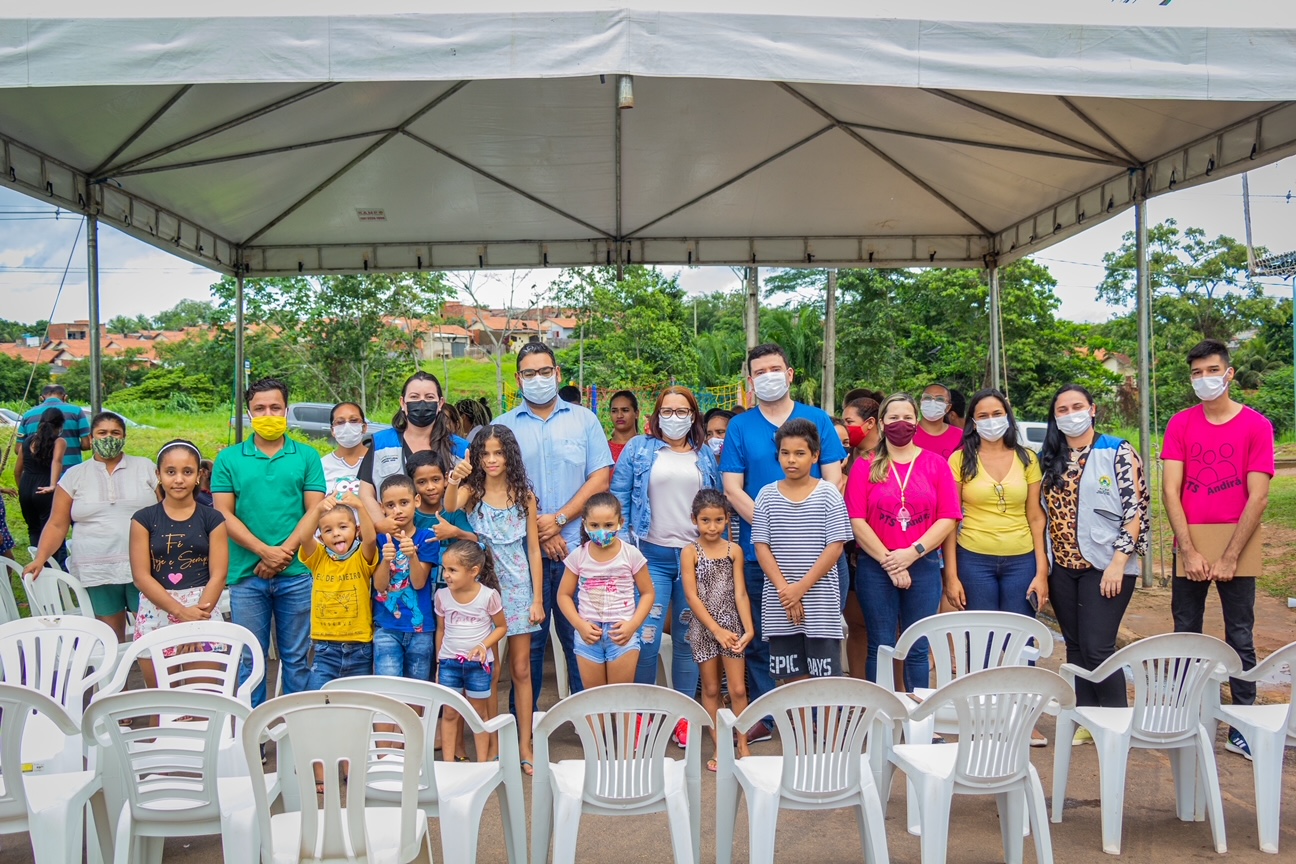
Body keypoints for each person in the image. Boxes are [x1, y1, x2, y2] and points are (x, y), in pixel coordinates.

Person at [720, 343, 845, 743]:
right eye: (760, 371)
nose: (768, 376)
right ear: (750, 380)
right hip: (764, 553)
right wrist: (774, 527)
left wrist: (801, 525)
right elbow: (732, 489)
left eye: (775, 368)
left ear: (790, 374)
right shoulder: (741, 426)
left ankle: (815, 721)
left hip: (819, 555)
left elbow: (834, 478)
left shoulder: (817, 418)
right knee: (766, 635)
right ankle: (771, 715)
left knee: (818, 635)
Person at [1162, 339, 1273, 760]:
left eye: (1211, 370)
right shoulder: (1181, 424)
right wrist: (1188, 550)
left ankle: (1241, 723)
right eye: (1196, 373)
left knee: (1239, 634)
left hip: (1237, 543)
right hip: (1191, 541)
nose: (1203, 379)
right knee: (1185, 631)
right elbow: (1171, 490)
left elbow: (1258, 497)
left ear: (1229, 373)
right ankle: (1182, 713)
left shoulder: (1257, 426)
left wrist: (1230, 556)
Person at [495, 342, 613, 705]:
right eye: (529, 374)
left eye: (545, 372)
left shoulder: (585, 420)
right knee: (527, 652)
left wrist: (558, 519)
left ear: (558, 374)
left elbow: (600, 478)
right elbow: (497, 487)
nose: (538, 379)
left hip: (580, 553)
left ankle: (589, 729)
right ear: (518, 379)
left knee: (583, 644)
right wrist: (540, 533)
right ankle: (523, 735)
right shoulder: (502, 428)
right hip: (521, 558)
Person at [610, 386, 719, 744]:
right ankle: (643, 714)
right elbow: (620, 498)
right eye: (667, 411)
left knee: (689, 638)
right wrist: (626, 548)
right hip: (650, 557)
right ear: (656, 416)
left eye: (682, 411)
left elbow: (715, 506)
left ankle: (683, 715)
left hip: (694, 559)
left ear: (693, 415)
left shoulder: (704, 456)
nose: (675, 418)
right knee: (646, 637)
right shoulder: (638, 450)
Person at [212, 378, 326, 706]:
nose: (268, 414)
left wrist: (284, 553)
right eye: (260, 408)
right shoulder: (229, 459)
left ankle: (297, 736)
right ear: (249, 413)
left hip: (297, 575)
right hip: (247, 576)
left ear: (286, 410)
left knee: (298, 658)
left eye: (275, 407)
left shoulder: (306, 456)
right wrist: (264, 552)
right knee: (252, 660)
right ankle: (255, 739)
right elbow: (223, 514)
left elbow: (314, 510)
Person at [1040, 384, 1147, 716]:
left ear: (1092, 409)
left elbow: (1136, 511)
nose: (1071, 415)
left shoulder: (1117, 451)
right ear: (1055, 418)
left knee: (1098, 647)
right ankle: (1087, 718)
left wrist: (1118, 563)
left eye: (1077, 407)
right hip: (1062, 567)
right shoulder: (1050, 459)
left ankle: (1114, 721)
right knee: (1074, 647)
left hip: (1105, 566)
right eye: (1063, 410)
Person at [845, 393, 961, 689]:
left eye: (907, 417)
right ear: (882, 424)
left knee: (918, 648)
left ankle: (917, 720)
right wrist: (891, 561)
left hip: (922, 566)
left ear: (916, 422)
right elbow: (856, 520)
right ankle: (879, 718)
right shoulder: (866, 465)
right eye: (893, 418)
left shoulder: (936, 464)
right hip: (876, 567)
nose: (901, 423)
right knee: (881, 645)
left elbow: (948, 517)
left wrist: (912, 554)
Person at [446, 424, 544, 773]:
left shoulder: (524, 496)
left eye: (498, 452)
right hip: (480, 588)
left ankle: (524, 745)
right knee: (488, 668)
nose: (491, 459)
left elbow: (533, 549)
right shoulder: (471, 491)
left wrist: (537, 598)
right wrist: (455, 478)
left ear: (510, 455)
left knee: (521, 669)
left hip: (518, 589)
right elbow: (448, 505)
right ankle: (487, 743)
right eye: (484, 453)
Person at [25, 411, 158, 641]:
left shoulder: (145, 468)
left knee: (151, 634)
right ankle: (117, 678)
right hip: (97, 570)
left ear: (124, 437)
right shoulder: (74, 475)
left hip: (145, 567)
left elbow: (169, 511)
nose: (109, 438)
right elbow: (57, 524)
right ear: (92, 438)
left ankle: (155, 678)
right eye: (102, 433)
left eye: (115, 433)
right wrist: (40, 558)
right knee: (110, 637)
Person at [753, 419, 852, 685]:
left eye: (800, 453)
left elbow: (835, 547)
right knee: (791, 680)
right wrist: (787, 591)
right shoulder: (766, 496)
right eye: (785, 453)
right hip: (780, 603)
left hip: (820, 604)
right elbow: (762, 547)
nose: (791, 460)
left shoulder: (829, 494)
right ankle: (795, 729)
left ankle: (827, 728)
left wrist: (801, 589)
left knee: (825, 680)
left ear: (815, 455)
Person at [942, 388, 1049, 618]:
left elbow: (1036, 516)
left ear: (1008, 417)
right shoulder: (959, 459)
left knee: (1020, 640)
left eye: (997, 413)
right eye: (983, 416)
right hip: (973, 559)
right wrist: (951, 576)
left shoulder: (1027, 458)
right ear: (973, 422)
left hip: (1022, 560)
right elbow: (950, 520)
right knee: (981, 641)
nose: (991, 421)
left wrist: (1041, 571)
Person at [129, 439, 228, 686]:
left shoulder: (213, 518)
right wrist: (180, 613)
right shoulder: (143, 519)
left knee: (202, 701)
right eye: (170, 472)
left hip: (202, 609)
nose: (179, 479)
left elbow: (218, 574)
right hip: (157, 611)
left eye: (187, 472)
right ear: (159, 475)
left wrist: (195, 618)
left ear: (198, 476)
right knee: (162, 703)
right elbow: (141, 576)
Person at [681, 489, 752, 772]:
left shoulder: (734, 551)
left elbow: (741, 594)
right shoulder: (690, 552)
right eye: (706, 520)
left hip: (732, 626)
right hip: (704, 628)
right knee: (710, 688)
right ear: (694, 520)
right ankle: (720, 747)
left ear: (727, 520)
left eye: (718, 520)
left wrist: (748, 629)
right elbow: (692, 597)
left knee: (737, 688)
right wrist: (715, 630)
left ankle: (743, 745)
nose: (712, 527)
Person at [558, 492, 655, 688]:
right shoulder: (578, 555)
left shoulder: (631, 554)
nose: (601, 531)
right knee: (595, 703)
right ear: (585, 524)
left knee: (620, 700)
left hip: (621, 634)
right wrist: (579, 625)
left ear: (620, 522)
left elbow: (648, 593)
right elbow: (563, 595)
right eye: (594, 526)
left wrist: (633, 625)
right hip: (588, 635)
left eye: (608, 525)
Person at [359, 371, 468, 530]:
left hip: (445, 542)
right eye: (414, 397)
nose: (422, 403)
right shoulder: (381, 442)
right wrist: (383, 526)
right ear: (403, 403)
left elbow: (471, 489)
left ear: (440, 404)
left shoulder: (461, 448)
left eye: (429, 397)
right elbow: (366, 492)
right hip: (393, 542)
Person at [295, 488, 379, 690]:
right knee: (319, 703)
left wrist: (359, 505)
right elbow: (304, 537)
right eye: (328, 530)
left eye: (343, 527)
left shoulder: (361, 557)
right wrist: (317, 510)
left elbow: (370, 539)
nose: (336, 533)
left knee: (358, 706)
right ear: (322, 537)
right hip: (325, 648)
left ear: (356, 529)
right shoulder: (318, 558)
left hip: (360, 646)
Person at [435, 539, 507, 763]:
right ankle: (448, 763)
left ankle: (482, 763)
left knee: (479, 714)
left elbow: (502, 627)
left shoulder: (488, 596)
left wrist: (483, 645)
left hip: (478, 666)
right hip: (449, 663)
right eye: (444, 569)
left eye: (453, 570)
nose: (446, 575)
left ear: (473, 571)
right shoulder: (442, 596)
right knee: (449, 713)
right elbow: (441, 630)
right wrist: (439, 662)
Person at [16, 408, 67, 567]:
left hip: (26, 488)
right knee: (52, 532)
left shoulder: (27, 441)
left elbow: (17, 470)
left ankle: (37, 565)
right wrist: (52, 485)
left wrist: (23, 489)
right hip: (45, 489)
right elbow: (56, 462)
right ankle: (51, 570)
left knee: (34, 530)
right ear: (60, 424)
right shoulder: (59, 441)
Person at [15, 384, 90, 474]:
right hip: (70, 473)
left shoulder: (28, 415)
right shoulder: (76, 411)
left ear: (41, 398)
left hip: (39, 474)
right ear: (65, 397)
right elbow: (86, 445)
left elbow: (19, 449)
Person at [322, 402, 371, 496]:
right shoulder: (322, 466)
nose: (347, 426)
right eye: (340, 422)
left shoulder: (377, 460)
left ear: (364, 427)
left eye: (353, 420)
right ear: (333, 430)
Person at [913, 383, 964, 459]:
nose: (932, 403)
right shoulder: (908, 433)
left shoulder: (961, 437)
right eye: (927, 398)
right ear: (921, 403)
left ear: (948, 407)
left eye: (940, 399)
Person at [608, 390, 640, 464]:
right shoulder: (603, 449)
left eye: (625, 410)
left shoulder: (646, 447)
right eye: (614, 411)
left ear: (636, 414)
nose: (619, 415)